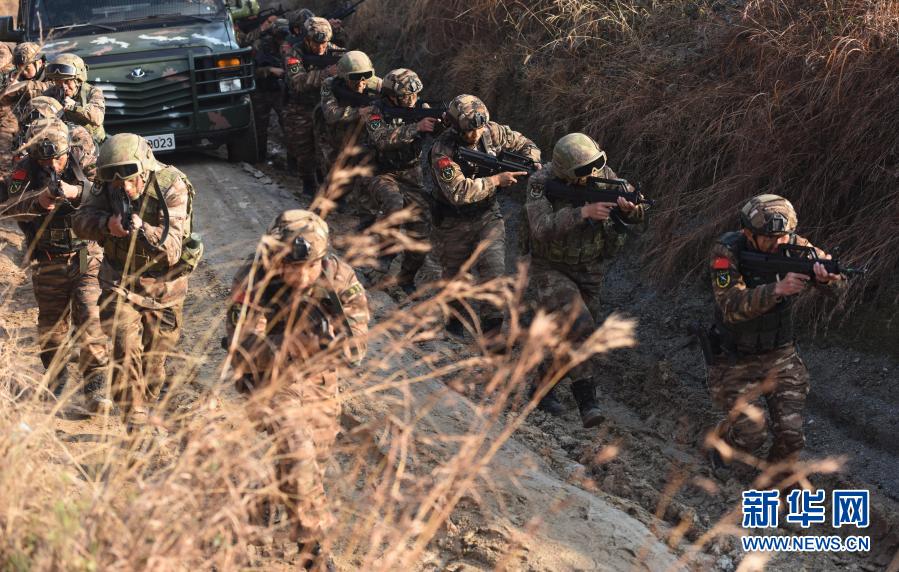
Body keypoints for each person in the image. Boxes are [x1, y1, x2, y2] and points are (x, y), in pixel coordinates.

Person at [225, 209, 369, 570]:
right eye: (293, 267)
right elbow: (241, 349)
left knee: (311, 463)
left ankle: (266, 496)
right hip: (272, 381)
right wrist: (290, 346)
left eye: (311, 266)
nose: (303, 276)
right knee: (298, 454)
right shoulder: (255, 278)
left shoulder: (338, 278)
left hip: (320, 380)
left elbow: (357, 346)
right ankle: (313, 549)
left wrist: (329, 345)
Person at [705, 194, 845, 469]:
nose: (779, 243)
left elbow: (840, 287)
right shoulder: (725, 253)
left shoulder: (796, 247)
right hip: (733, 357)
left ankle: (774, 481)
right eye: (770, 238)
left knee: (792, 437)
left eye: (784, 236)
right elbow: (730, 306)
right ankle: (722, 443)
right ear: (749, 233)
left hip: (780, 354)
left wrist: (829, 280)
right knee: (751, 434)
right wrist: (777, 290)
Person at [73, 133, 201, 431]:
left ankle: (146, 402)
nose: (125, 187)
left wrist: (143, 229)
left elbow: (172, 249)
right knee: (124, 349)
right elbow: (79, 222)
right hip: (120, 281)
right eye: (117, 180)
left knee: (154, 367)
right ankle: (135, 421)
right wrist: (106, 225)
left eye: (131, 179)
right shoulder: (107, 186)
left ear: (145, 169)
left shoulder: (171, 185)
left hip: (164, 288)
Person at [524, 133, 647, 427]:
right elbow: (540, 227)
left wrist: (631, 211)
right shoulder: (541, 182)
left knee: (576, 336)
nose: (592, 174)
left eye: (595, 165)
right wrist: (583, 213)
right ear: (565, 170)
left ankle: (541, 388)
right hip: (550, 268)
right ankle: (588, 403)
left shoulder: (605, 177)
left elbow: (638, 213)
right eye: (583, 170)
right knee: (580, 326)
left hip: (590, 270)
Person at [0, 118, 109, 409]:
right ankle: (57, 379)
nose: (52, 165)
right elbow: (9, 207)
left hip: (85, 254)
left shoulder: (83, 160)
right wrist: (39, 201)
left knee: (90, 316)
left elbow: (107, 193)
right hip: (47, 258)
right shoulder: (24, 169)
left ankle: (95, 387)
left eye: (57, 159)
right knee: (52, 327)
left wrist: (78, 192)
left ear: (66, 152)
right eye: (44, 160)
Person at [423, 94, 540, 344]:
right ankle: (454, 324)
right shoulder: (442, 151)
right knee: (456, 279)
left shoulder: (491, 131)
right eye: (469, 130)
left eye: (479, 127)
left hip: (487, 215)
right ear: (456, 127)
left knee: (494, 273)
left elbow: (524, 143)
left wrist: (532, 160)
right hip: (452, 221)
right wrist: (496, 180)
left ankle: (493, 337)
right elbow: (458, 192)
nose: (476, 134)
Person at [361, 68, 439, 293]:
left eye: (415, 94)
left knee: (422, 227)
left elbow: (442, 136)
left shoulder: (422, 109)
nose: (412, 99)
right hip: (381, 172)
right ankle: (383, 258)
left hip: (411, 176)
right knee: (394, 203)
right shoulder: (375, 111)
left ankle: (406, 278)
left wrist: (442, 124)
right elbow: (381, 139)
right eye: (406, 96)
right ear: (392, 96)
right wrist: (416, 127)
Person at [284, 16, 344, 194]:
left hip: (326, 107)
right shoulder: (294, 54)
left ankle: (332, 190)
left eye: (324, 44)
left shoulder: (336, 52)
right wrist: (326, 73)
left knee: (329, 150)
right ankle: (308, 184)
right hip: (301, 108)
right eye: (316, 44)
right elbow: (298, 82)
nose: (321, 48)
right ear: (307, 39)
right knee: (304, 150)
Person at [317, 50, 380, 178]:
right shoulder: (330, 84)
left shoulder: (378, 85)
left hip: (364, 143)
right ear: (343, 76)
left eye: (366, 76)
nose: (361, 83)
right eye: (355, 77)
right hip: (336, 140)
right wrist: (358, 112)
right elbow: (331, 114)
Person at [250, 18, 291, 162]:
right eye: (280, 36)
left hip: (280, 91)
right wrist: (269, 70)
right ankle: (259, 158)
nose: (282, 40)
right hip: (261, 91)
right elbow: (251, 71)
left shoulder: (291, 46)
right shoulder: (260, 45)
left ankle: (293, 161)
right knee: (260, 128)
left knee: (288, 126)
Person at [43, 53, 106, 145]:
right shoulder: (51, 93)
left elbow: (98, 118)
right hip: (63, 143)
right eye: (58, 81)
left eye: (67, 81)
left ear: (78, 80)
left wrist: (76, 107)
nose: (64, 87)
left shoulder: (92, 92)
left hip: (92, 143)